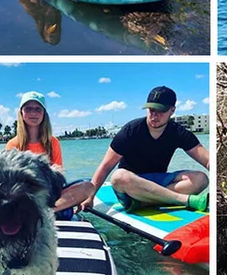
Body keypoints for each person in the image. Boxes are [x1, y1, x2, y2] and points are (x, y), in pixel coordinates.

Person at [81, 86, 210, 212]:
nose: (154, 115)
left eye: (161, 111)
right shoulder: (131, 130)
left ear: (172, 110)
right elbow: (106, 165)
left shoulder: (178, 132)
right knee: (118, 176)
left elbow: (208, 160)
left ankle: (144, 202)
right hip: (132, 186)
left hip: (159, 181)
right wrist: (90, 196)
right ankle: (184, 200)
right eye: (151, 110)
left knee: (201, 179)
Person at [5, 92, 96, 219]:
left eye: (38, 109)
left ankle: (42, 211)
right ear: (21, 113)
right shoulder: (13, 144)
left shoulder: (53, 142)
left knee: (88, 186)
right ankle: (45, 211)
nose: (33, 113)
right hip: (24, 196)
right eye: (28, 109)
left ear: (44, 114)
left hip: (49, 195)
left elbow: (58, 175)